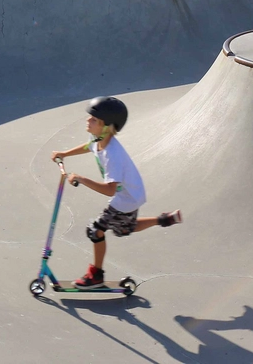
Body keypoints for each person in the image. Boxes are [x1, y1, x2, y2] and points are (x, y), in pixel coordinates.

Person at [50, 97, 182, 288]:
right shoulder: (98, 140)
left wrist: (81, 179)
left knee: (95, 231)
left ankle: (96, 276)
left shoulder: (113, 154)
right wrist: (64, 153)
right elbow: (88, 147)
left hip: (126, 198)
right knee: (124, 227)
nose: (88, 120)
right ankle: (163, 219)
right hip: (133, 193)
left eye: (94, 119)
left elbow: (109, 189)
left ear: (106, 126)